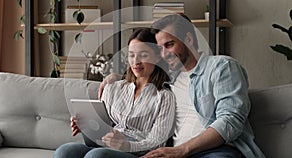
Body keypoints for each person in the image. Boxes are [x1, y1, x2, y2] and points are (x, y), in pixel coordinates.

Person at [99, 14, 266, 158]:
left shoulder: (221, 67)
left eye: (169, 45)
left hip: (215, 151)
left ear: (189, 39)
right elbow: (142, 74)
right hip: (174, 154)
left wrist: (182, 150)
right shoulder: (170, 78)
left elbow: (230, 120)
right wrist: (115, 78)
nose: (164, 54)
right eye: (160, 48)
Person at [53, 28, 176, 158]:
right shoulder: (113, 88)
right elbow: (103, 125)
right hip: (107, 144)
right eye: (132, 55)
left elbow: (157, 143)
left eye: (143, 55)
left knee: (97, 156)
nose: (136, 61)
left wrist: (126, 145)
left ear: (157, 57)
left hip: (138, 152)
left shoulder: (164, 96)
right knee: (64, 152)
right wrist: (86, 125)